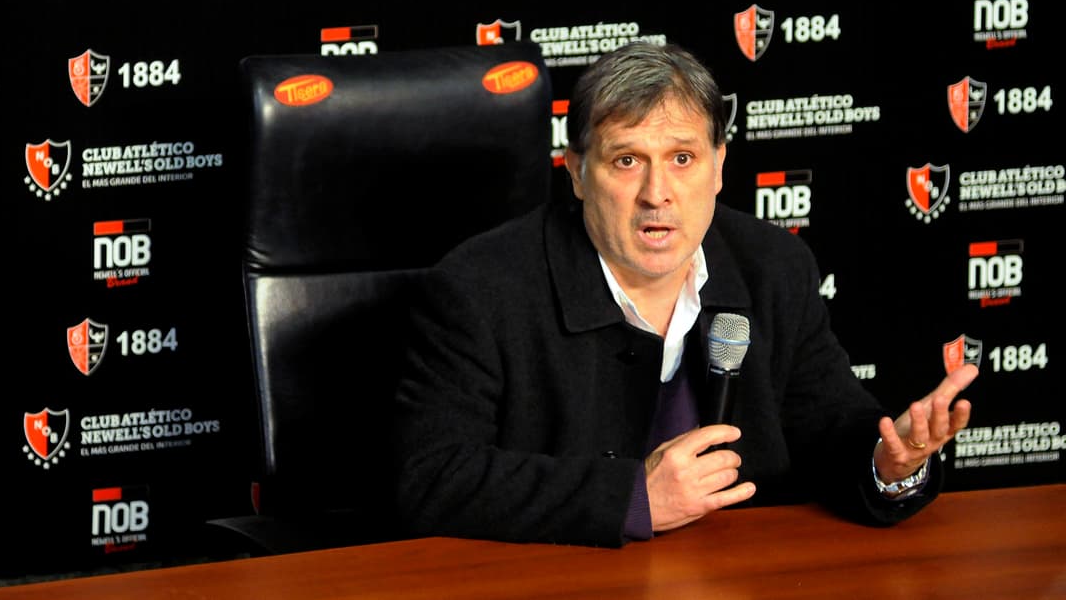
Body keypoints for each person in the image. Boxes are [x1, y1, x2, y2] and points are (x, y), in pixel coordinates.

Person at [393, 41, 977, 546]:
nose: (657, 193)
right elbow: (431, 478)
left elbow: (831, 427)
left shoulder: (773, 268)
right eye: (626, 161)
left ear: (719, 166)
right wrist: (631, 499)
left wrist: (888, 465)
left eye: (682, 158)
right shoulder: (480, 288)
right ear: (575, 172)